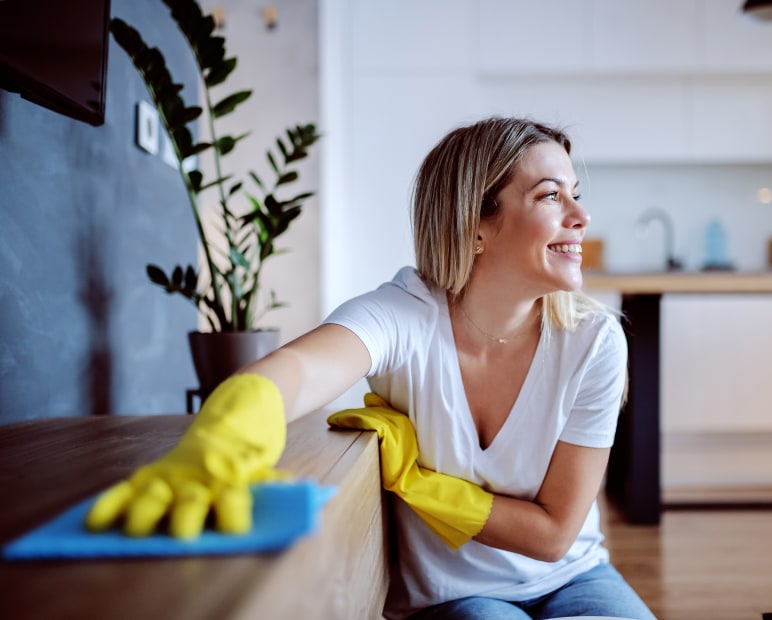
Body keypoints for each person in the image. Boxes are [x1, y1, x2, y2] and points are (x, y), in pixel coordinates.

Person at [85, 116, 656, 620]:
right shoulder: (404, 315)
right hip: (455, 597)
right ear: (477, 225)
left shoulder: (593, 339)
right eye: (551, 196)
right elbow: (299, 371)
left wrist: (420, 483)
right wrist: (218, 439)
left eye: (575, 194)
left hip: (577, 579)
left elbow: (556, 535)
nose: (581, 217)